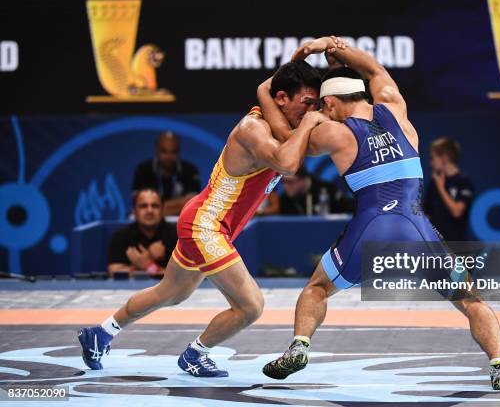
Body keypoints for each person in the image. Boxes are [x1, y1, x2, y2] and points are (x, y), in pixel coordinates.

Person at [258, 36, 500, 390]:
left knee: (317, 289)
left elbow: (283, 135)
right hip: (418, 228)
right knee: (471, 299)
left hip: (371, 229)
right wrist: (332, 46)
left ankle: (300, 345)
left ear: (333, 101)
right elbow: (374, 68)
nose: (323, 110)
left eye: (325, 105)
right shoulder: (395, 107)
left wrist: (267, 92)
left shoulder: (334, 133)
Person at [77, 49, 341, 378]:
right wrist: (313, 121)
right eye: (307, 103)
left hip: (206, 223)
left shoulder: (279, 117)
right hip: (206, 226)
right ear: (282, 99)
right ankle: (195, 354)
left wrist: (301, 59)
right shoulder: (253, 129)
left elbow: (269, 88)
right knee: (251, 306)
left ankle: (100, 333)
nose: (312, 111)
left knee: (170, 293)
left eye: (315, 105)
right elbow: (288, 164)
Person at [107, 189, 176, 278]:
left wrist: (148, 265)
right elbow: (114, 273)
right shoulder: (121, 236)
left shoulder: (177, 235)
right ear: (134, 211)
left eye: (155, 206)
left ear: (162, 210)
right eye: (143, 206)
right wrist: (147, 264)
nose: (150, 210)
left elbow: (182, 277)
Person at [132, 131, 201, 216]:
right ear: (156, 150)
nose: (169, 156)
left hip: (180, 220)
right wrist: (178, 204)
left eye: (173, 152)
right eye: (164, 151)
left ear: (178, 151)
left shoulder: (190, 170)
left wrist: (156, 208)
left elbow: (193, 204)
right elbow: (139, 204)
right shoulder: (143, 170)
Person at [424, 137, 474, 241]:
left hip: (456, 248)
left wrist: (441, 188)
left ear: (444, 158)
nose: (430, 163)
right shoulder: (434, 182)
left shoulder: (464, 182)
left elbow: (457, 212)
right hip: (435, 248)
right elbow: (427, 216)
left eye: (432, 158)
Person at [280, 166, 354, 215]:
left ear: (303, 179)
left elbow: (346, 209)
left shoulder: (328, 190)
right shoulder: (285, 199)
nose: (285, 187)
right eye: (283, 182)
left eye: (290, 182)